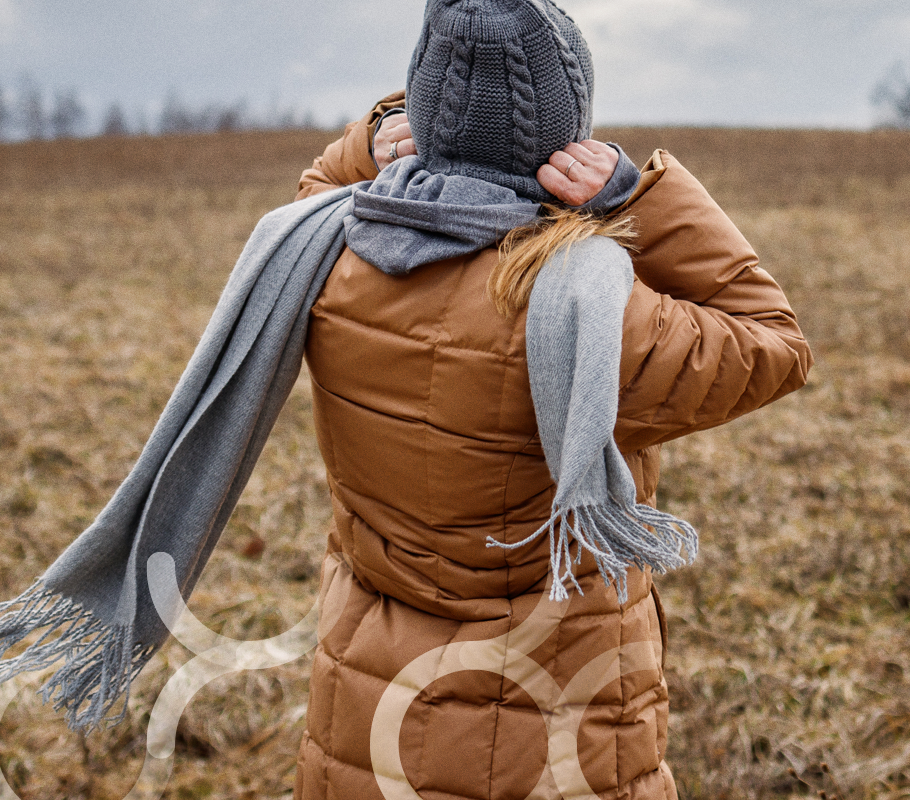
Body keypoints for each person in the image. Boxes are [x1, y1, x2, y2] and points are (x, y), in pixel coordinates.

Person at [291, 2, 813, 798]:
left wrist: (371, 142)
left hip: (370, 723)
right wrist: (640, 197)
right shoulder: (592, 312)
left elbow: (315, 192)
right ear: (564, 138)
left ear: (425, 115)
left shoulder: (330, 260)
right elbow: (773, 342)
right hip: (557, 732)